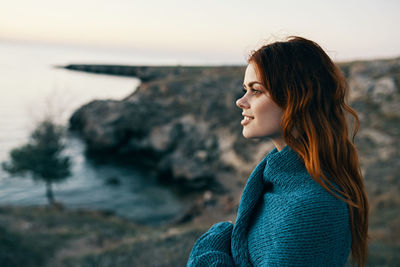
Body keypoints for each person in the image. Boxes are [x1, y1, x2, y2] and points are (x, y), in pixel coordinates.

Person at [186, 36, 369, 266]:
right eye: (245, 89)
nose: (241, 101)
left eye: (256, 91)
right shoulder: (279, 180)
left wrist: (211, 246)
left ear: (297, 98)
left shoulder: (312, 209)